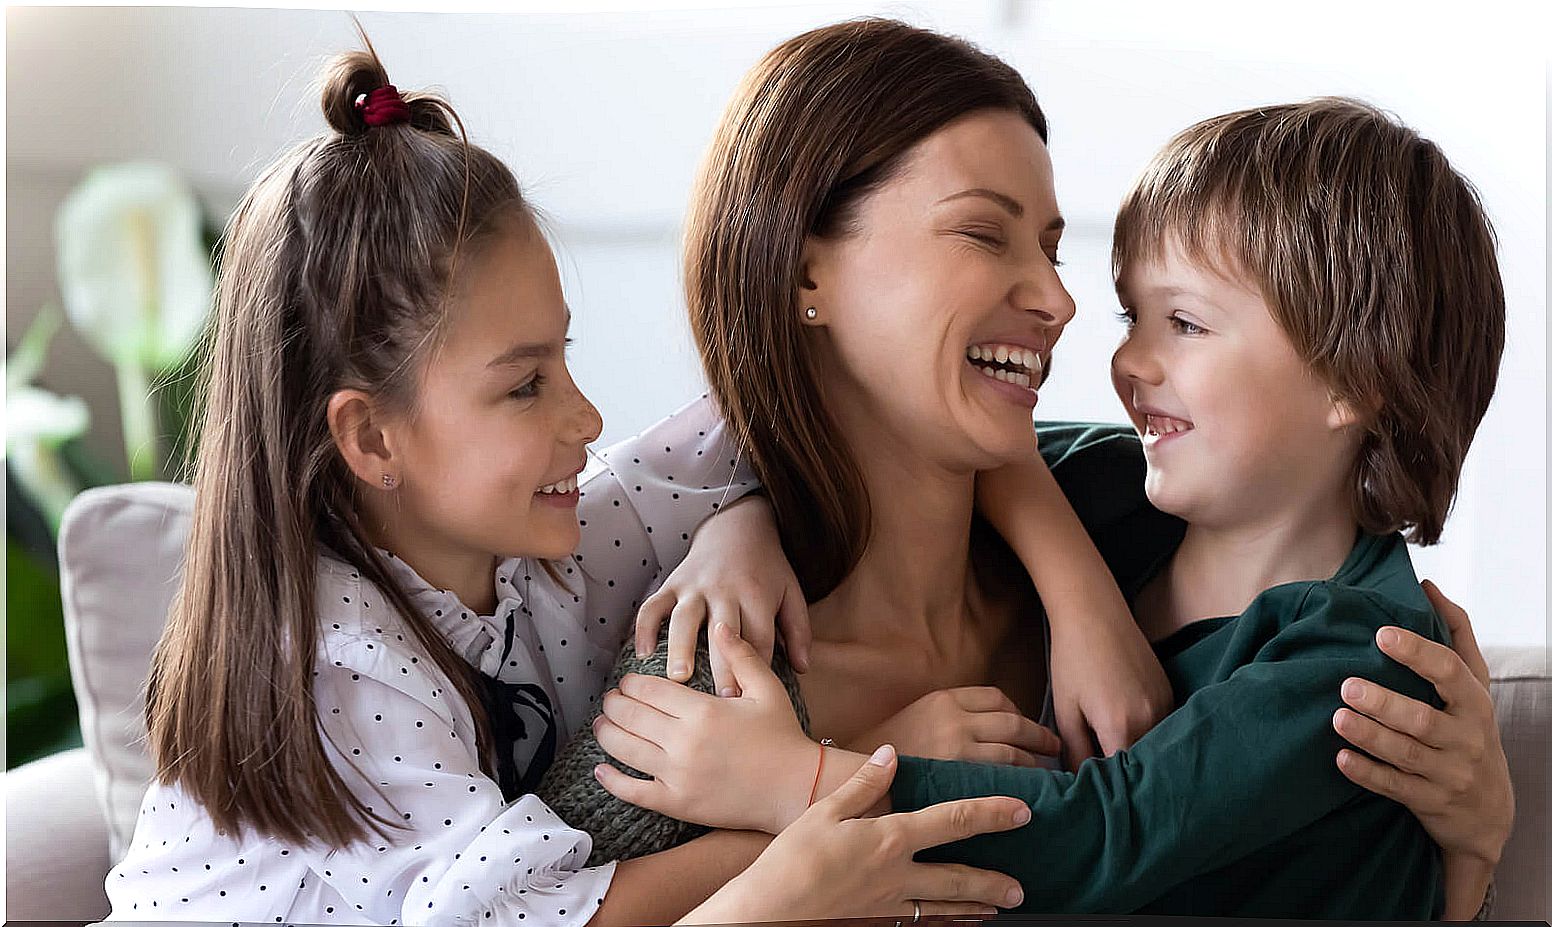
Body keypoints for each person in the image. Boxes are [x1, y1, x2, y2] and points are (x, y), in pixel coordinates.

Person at [561, 24, 1513, 921]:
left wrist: (801, 779)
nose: (1071, 314)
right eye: (985, 232)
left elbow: (1111, 828)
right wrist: (742, 520)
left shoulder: (1358, 659)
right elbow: (986, 452)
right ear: (803, 271)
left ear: (1350, 381)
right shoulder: (1116, 499)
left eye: (1183, 322)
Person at [102, 41, 1032, 926]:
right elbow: (534, 915)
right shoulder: (333, 658)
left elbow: (799, 408)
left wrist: (733, 529)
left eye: (564, 360)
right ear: (372, 434)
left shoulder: (555, 549)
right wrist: (843, 786)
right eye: (524, 385)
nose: (585, 418)